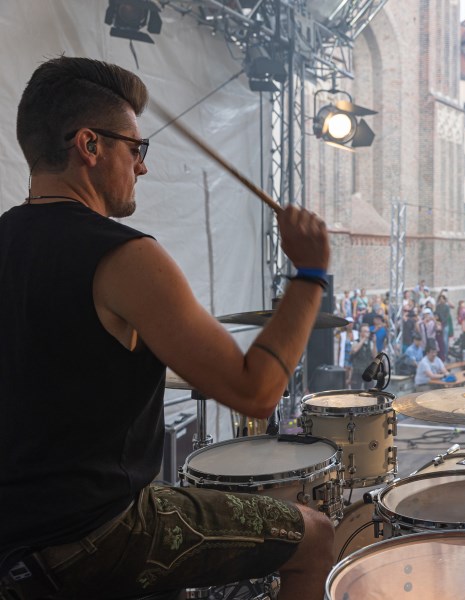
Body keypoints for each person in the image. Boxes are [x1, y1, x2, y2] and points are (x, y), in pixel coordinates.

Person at [0, 57, 332, 599]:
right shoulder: (123, 256)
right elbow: (256, 391)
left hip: (13, 536)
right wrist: (311, 273)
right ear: (90, 145)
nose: (142, 167)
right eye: (136, 149)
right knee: (316, 535)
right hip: (96, 535)